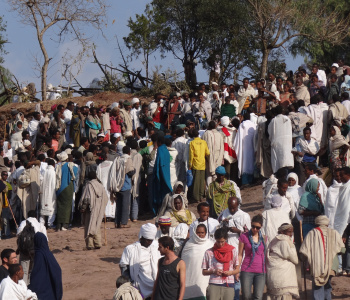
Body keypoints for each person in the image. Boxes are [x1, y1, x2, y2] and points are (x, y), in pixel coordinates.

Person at [300, 216, 344, 299]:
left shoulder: (311, 233)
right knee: (328, 285)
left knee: (317, 287)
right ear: (327, 223)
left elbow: (303, 251)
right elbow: (342, 250)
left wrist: (302, 259)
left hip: (317, 266)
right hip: (332, 265)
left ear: (316, 223)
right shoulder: (334, 233)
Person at [120, 223, 160, 299]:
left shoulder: (157, 247)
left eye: (151, 240)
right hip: (137, 286)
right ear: (141, 237)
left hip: (155, 285)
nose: (149, 243)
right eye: (147, 240)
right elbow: (124, 267)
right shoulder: (130, 249)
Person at [202, 227, 240, 300]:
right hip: (214, 285)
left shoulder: (233, 250)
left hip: (228, 284)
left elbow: (237, 269)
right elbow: (204, 271)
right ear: (215, 240)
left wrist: (230, 272)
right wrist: (214, 271)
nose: (220, 244)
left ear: (226, 239)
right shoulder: (209, 252)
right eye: (218, 241)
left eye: (222, 241)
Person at [266, 223, 299, 300]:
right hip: (284, 279)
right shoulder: (285, 241)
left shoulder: (273, 241)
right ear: (282, 232)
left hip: (273, 277)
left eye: (292, 232)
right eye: (289, 232)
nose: (291, 234)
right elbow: (295, 260)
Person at [181, 224, 214, 300]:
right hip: (191, 275)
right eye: (198, 232)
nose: (200, 235)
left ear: (206, 233)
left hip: (205, 276)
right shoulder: (189, 244)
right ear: (195, 232)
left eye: (202, 233)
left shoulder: (210, 244)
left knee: (203, 292)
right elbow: (184, 261)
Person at [238, 214, 266, 300]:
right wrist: (237, 270)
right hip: (247, 270)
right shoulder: (244, 236)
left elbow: (265, 254)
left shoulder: (264, 238)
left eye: (257, 228)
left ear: (261, 227)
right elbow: (240, 254)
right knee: (246, 296)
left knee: (258, 297)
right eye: (253, 226)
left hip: (261, 271)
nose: (254, 229)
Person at [79, 171, 108, 250]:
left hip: (90, 209)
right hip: (98, 209)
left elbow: (86, 198)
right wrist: (102, 207)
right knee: (96, 225)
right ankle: (98, 243)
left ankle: (90, 244)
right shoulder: (100, 185)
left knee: (89, 225)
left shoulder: (88, 185)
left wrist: (83, 208)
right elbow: (105, 198)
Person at [28, 232, 63, 300]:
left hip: (43, 293)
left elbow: (37, 274)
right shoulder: (48, 253)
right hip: (52, 291)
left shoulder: (39, 254)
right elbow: (57, 270)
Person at [152, 236, 186, 300]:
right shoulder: (160, 261)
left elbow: (182, 285)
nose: (158, 249)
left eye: (160, 247)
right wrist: (153, 297)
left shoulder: (180, 263)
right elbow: (157, 280)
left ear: (167, 248)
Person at [55, 151, 78, 231]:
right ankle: (65, 224)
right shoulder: (70, 165)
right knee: (67, 206)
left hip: (58, 188)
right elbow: (76, 172)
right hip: (67, 187)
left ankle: (58, 224)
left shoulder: (57, 166)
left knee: (60, 206)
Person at [268, 105, 294, 173]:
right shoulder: (287, 119)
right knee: (286, 162)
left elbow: (270, 133)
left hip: (277, 144)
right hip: (287, 143)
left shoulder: (274, 120)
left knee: (279, 164)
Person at [233, 112, 257, 185]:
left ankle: (245, 182)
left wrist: (237, 146)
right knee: (252, 163)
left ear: (243, 117)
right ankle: (251, 180)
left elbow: (238, 138)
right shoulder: (254, 125)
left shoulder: (242, 125)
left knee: (244, 164)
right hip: (252, 147)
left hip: (243, 148)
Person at [115, 146, 135, 228]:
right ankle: (123, 223)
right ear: (129, 152)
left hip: (118, 184)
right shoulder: (128, 159)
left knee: (119, 205)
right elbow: (130, 172)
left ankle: (117, 222)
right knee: (125, 205)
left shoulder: (119, 159)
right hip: (125, 185)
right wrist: (135, 170)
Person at [152, 136, 173, 215]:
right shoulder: (166, 150)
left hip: (160, 176)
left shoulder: (160, 150)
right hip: (166, 174)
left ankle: (158, 212)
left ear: (159, 142)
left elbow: (158, 164)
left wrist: (156, 174)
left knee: (158, 194)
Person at [188, 128, 210, 202]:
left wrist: (189, 165)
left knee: (196, 182)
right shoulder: (203, 142)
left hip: (195, 164)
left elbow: (191, 156)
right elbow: (207, 153)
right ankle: (201, 196)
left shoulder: (192, 143)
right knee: (201, 181)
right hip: (202, 164)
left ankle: (196, 197)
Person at [202, 121, 224, 185]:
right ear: (215, 126)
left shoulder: (205, 134)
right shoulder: (219, 134)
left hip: (208, 156)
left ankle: (209, 191)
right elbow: (222, 147)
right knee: (216, 174)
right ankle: (216, 189)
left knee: (209, 175)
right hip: (217, 156)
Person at [40, 159, 56, 228]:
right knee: (51, 208)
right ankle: (50, 223)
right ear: (53, 165)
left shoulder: (45, 171)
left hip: (44, 192)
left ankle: (41, 223)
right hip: (51, 192)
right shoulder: (53, 172)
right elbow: (54, 184)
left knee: (43, 209)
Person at [334, 167, 350, 236]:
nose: (340, 178)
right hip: (340, 220)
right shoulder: (343, 187)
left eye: (341, 175)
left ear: (348, 175)